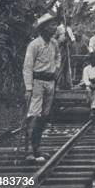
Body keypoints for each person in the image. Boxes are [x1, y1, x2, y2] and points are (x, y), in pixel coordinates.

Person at [22, 13, 61, 163]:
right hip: (37, 82)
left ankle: (37, 147)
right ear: (44, 28)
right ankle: (29, 151)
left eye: (55, 24)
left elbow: (58, 57)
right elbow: (27, 67)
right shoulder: (34, 45)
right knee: (34, 115)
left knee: (44, 116)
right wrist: (28, 88)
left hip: (50, 82)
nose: (55, 27)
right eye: (51, 25)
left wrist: (56, 69)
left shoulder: (54, 44)